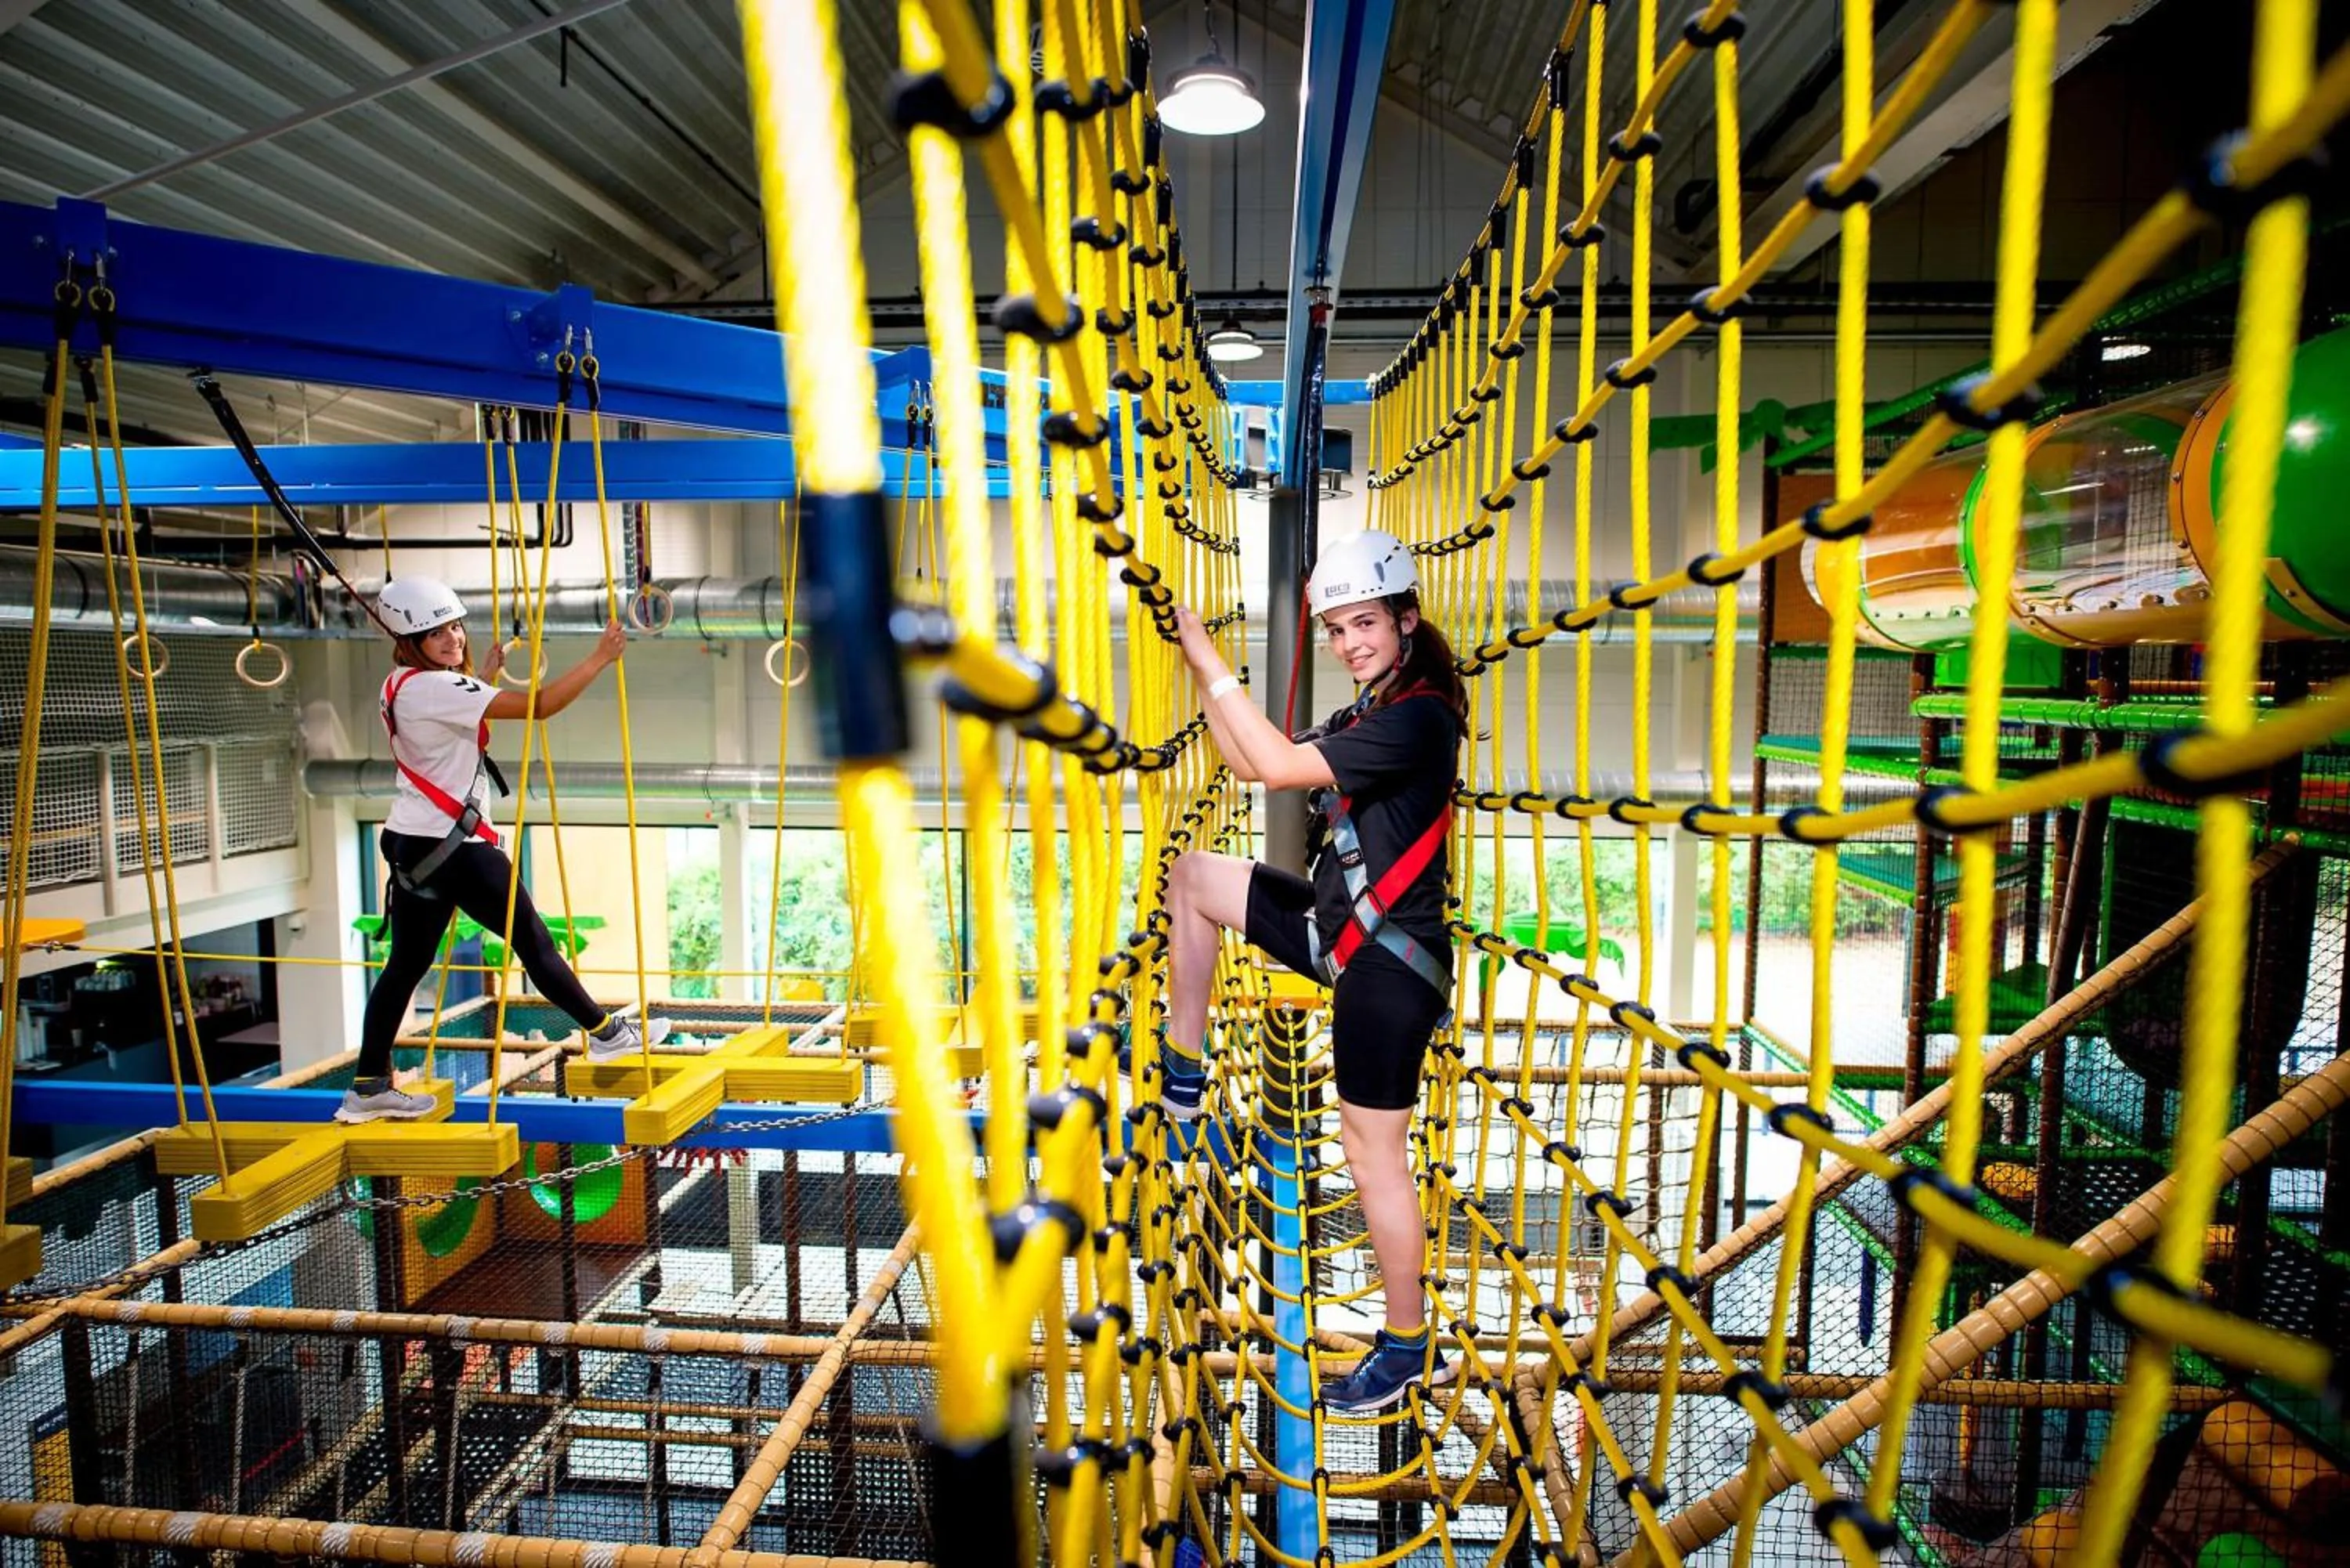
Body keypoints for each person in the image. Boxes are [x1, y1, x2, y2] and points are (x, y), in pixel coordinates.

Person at [1163, 529, 1466, 1414]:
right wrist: (1201, 672)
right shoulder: (1368, 715)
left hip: (1389, 970)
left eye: (1363, 623)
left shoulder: (1418, 717)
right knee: (1196, 877)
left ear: (1405, 619)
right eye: (1336, 629)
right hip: (1341, 938)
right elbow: (1246, 760)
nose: (1348, 643)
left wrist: (1208, 657)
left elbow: (1272, 765)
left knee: (1373, 1157)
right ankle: (1184, 1075)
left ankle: (1406, 1346)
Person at [339, 576, 668, 1123]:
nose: (453, 639)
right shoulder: (440, 688)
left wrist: (482, 680)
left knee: (405, 966)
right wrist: (600, 658)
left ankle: (369, 1085)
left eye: (454, 628)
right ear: (409, 641)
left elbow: (443, 724)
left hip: (412, 844)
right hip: (459, 849)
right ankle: (606, 1033)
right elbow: (541, 706)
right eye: (436, 633)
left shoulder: (397, 684)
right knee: (534, 943)